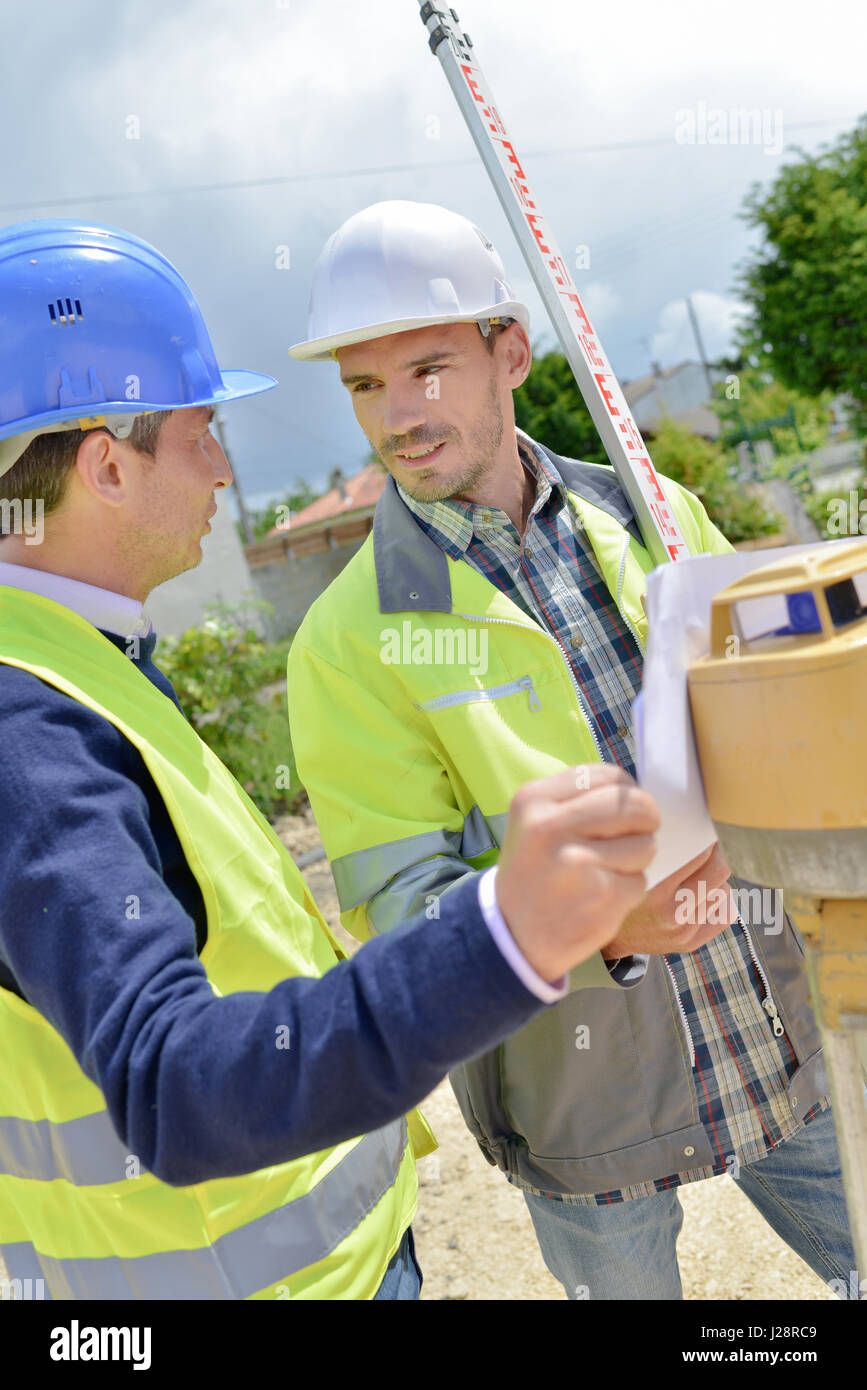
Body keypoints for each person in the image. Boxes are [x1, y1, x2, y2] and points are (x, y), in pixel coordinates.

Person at [0, 218, 661, 1302]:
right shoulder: (24, 727)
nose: (224, 464)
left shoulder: (80, 660)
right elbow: (170, 1082)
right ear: (109, 465)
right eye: (202, 426)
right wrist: (506, 930)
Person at [286, 199, 858, 1301]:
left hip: (779, 1033)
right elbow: (403, 919)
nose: (398, 415)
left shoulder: (655, 513)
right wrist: (599, 926)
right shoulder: (351, 641)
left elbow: (776, 725)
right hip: (590, 1110)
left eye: (431, 368)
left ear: (513, 351)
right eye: (365, 384)